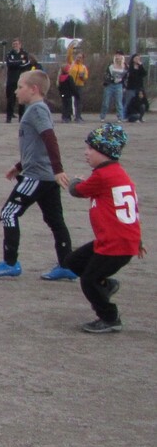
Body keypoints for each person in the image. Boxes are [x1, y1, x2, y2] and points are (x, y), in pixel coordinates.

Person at [0, 70, 75, 280]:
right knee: (55, 220)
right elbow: (36, 147)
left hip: (37, 177)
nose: (16, 91)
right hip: (44, 175)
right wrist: (19, 166)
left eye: (20, 87)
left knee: (8, 213)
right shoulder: (36, 109)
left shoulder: (37, 110)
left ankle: (10, 263)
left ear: (34, 89)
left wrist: (58, 169)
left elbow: (50, 138)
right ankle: (67, 265)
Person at [64, 124, 145, 333]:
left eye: (91, 148)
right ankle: (106, 286)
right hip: (117, 240)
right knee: (73, 262)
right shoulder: (117, 173)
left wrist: (75, 181)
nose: (86, 152)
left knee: (88, 280)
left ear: (105, 151)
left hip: (115, 243)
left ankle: (110, 318)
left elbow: (77, 191)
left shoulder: (103, 175)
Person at [4, 38, 31, 122]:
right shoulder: (9, 54)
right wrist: (20, 62)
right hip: (11, 80)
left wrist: (16, 63)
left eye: (17, 44)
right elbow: (10, 64)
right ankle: (9, 117)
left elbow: (26, 64)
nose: (15, 45)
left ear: (20, 45)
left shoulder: (25, 54)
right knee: (10, 99)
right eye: (14, 44)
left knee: (22, 99)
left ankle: (21, 117)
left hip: (21, 80)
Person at [101, 52, 126, 122]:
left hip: (119, 85)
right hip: (110, 85)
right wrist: (111, 78)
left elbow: (126, 76)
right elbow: (106, 75)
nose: (118, 58)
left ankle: (120, 117)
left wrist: (123, 85)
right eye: (117, 57)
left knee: (119, 102)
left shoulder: (124, 66)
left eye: (120, 57)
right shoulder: (111, 66)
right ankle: (102, 116)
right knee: (106, 102)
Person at [123, 53, 147, 122]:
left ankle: (140, 117)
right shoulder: (129, 67)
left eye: (138, 58)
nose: (137, 60)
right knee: (128, 102)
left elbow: (144, 74)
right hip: (130, 87)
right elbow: (129, 75)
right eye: (136, 58)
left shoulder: (140, 67)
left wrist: (141, 65)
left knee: (140, 102)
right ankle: (125, 116)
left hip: (139, 87)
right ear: (133, 59)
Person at [68, 51, 88, 122]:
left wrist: (83, 77)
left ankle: (78, 116)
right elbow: (69, 55)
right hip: (71, 84)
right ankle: (67, 116)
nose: (78, 59)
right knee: (68, 100)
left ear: (82, 59)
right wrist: (71, 48)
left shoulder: (83, 67)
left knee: (79, 101)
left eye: (80, 57)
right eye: (77, 57)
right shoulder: (72, 63)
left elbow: (86, 76)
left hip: (79, 85)